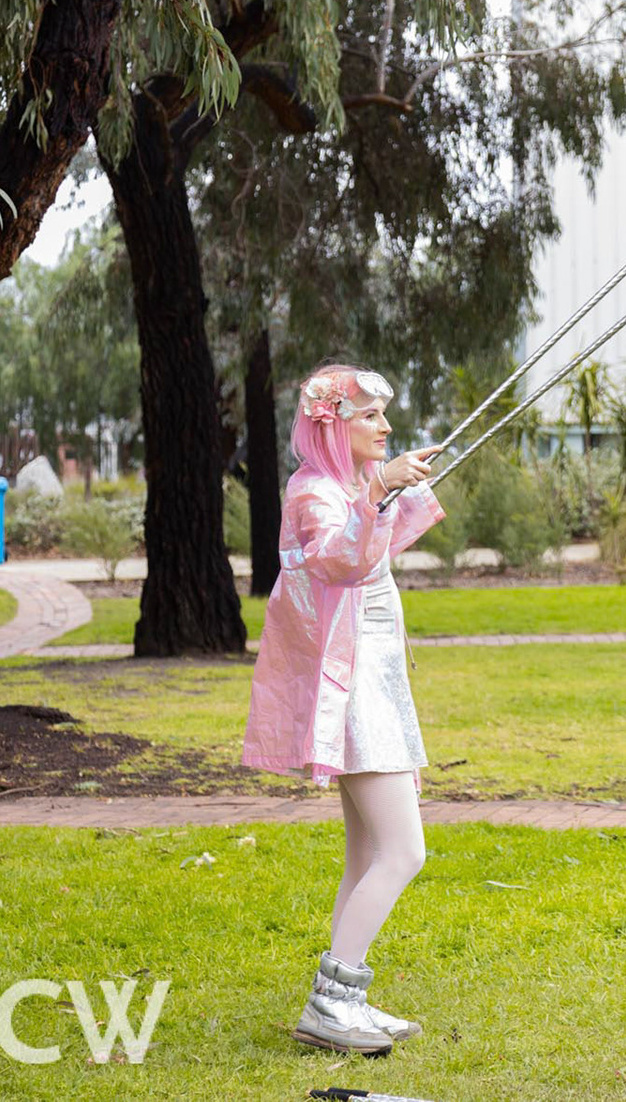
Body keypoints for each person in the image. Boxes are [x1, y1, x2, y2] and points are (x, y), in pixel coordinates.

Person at [241, 364, 445, 1055]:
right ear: (333, 425)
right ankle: (332, 1002)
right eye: (371, 418)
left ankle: (345, 1000)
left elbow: (378, 544)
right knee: (403, 851)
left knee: (365, 855)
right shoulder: (314, 494)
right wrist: (382, 488)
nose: (386, 429)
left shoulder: (348, 485)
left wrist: (388, 485)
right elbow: (338, 561)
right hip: (354, 693)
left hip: (376, 684)